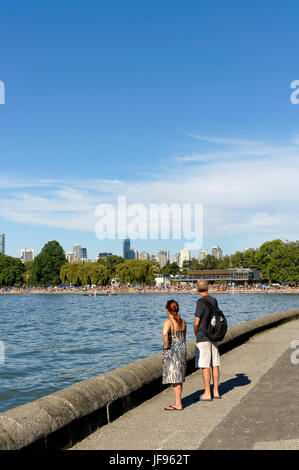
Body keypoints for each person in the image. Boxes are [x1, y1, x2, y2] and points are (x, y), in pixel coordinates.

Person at [194, 280, 221, 401]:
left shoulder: (200, 302)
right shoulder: (214, 300)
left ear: (197, 289)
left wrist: (196, 333)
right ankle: (216, 391)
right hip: (213, 335)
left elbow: (196, 322)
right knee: (215, 364)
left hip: (203, 336)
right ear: (208, 288)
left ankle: (207, 393)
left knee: (205, 365)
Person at [162, 300, 187, 410]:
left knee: (174, 378)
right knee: (179, 377)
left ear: (167, 309)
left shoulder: (169, 321)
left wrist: (166, 345)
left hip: (172, 350)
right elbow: (184, 337)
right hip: (182, 350)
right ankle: (178, 402)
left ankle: (178, 404)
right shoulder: (182, 321)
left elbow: (164, 333)